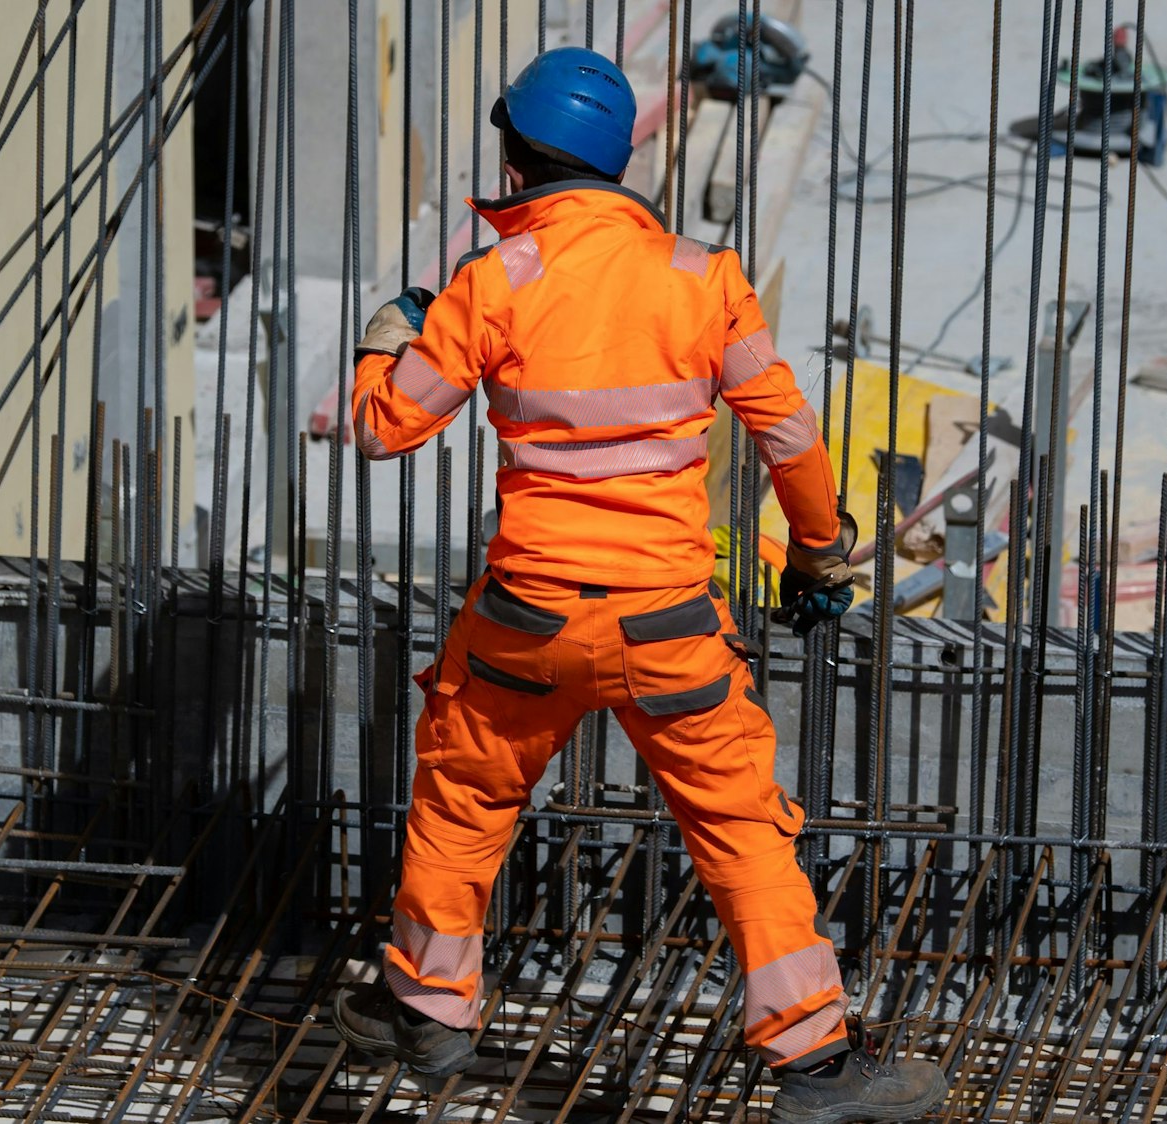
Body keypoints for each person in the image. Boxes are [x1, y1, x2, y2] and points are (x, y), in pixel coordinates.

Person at [331, 46, 947, 1122]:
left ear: (517, 162)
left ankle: (428, 1007)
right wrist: (816, 550)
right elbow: (790, 438)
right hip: (667, 625)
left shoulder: (491, 282)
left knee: (466, 795)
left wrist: (386, 340)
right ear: (618, 165)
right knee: (741, 830)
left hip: (526, 619)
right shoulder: (701, 277)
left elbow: (383, 426)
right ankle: (813, 1066)